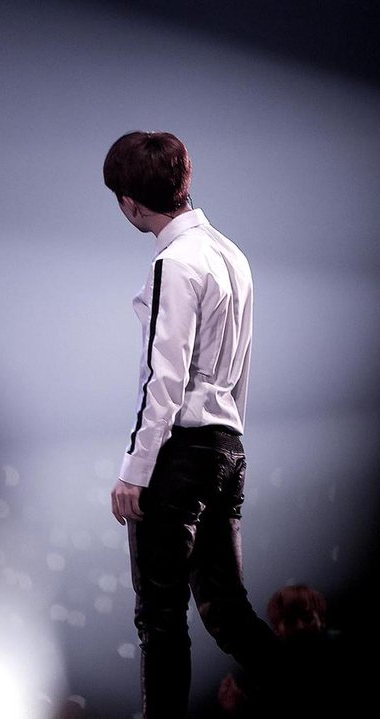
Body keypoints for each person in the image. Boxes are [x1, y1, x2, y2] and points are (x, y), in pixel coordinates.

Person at [103, 131, 281, 719]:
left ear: (130, 202)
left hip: (179, 456)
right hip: (226, 448)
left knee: (160, 618)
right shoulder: (232, 255)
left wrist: (135, 471)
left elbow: (164, 379)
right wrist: (230, 444)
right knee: (228, 610)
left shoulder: (173, 262)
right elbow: (242, 367)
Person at [217, 583, 346, 718]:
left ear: (321, 620)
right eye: (290, 621)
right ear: (277, 629)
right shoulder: (273, 667)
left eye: (307, 618)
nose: (300, 626)